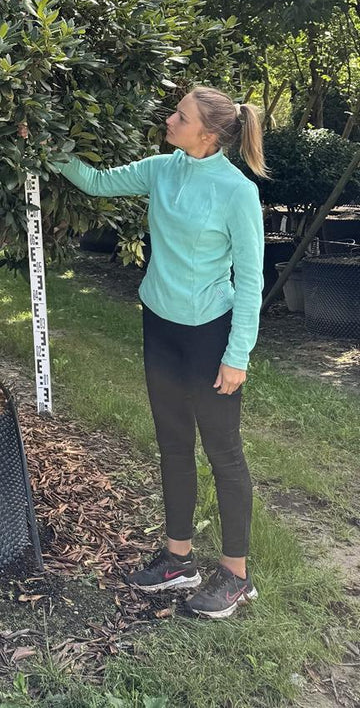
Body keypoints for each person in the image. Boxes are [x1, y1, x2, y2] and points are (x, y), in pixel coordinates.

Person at [43, 86, 266, 619]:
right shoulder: (162, 168)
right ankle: (178, 559)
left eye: (180, 116)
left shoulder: (237, 192)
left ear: (207, 134)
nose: (169, 119)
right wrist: (44, 149)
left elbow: (253, 279)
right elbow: (96, 183)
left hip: (211, 335)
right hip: (160, 327)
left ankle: (235, 575)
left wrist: (237, 355)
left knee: (223, 451)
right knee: (172, 443)